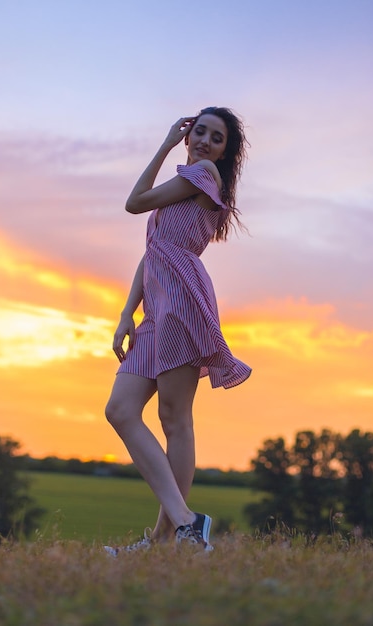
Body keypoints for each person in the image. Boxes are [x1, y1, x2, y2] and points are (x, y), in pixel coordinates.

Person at [104, 107, 252, 554]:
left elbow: (134, 203)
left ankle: (164, 540)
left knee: (174, 418)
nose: (205, 141)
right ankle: (186, 525)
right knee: (121, 410)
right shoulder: (185, 185)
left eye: (216, 137)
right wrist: (128, 311)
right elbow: (154, 251)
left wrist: (167, 144)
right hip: (155, 309)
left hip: (182, 303)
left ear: (224, 153)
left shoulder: (203, 173)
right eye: (199, 132)